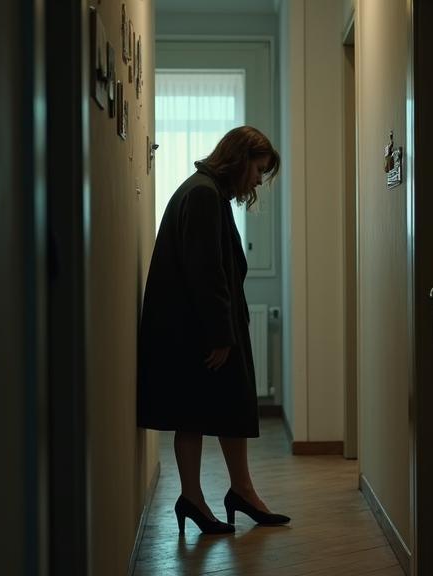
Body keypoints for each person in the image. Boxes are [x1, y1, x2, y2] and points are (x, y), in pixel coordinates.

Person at [137, 125, 290, 534]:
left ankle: (223, 494)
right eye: (258, 170)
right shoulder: (204, 194)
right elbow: (206, 271)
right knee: (204, 409)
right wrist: (221, 335)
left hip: (192, 324)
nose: (258, 180)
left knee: (210, 409)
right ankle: (210, 496)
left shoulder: (206, 190)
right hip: (198, 327)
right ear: (240, 161)